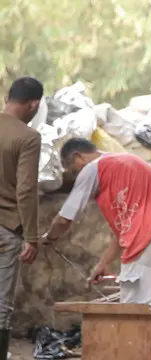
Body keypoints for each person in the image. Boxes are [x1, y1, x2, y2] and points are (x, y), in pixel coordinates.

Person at [44, 138, 151, 306]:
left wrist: (48, 238)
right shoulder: (131, 162)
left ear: (79, 156)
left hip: (146, 239)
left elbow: (64, 219)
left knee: (136, 309)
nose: (76, 177)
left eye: (74, 171)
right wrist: (103, 263)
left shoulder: (92, 168)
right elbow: (123, 234)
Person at [0, 77, 44, 360]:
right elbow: (26, 190)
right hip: (5, 228)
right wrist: (31, 236)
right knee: (1, 304)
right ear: (34, 104)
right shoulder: (27, 137)